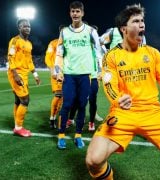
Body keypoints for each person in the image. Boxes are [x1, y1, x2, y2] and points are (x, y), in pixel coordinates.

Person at [86, 4, 160, 180]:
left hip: (153, 113)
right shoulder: (111, 56)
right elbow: (109, 84)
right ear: (124, 29)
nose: (142, 24)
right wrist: (118, 99)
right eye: (136, 21)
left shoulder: (153, 53)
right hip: (123, 114)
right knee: (93, 160)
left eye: (142, 21)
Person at [54, 1, 102, 149]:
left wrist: (100, 70)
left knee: (82, 105)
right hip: (69, 75)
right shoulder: (64, 32)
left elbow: (99, 52)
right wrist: (58, 71)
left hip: (85, 75)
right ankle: (61, 136)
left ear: (82, 13)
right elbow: (59, 53)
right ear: (70, 13)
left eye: (78, 11)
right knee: (67, 104)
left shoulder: (90, 31)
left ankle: (78, 136)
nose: (75, 14)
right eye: (73, 11)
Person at [7, 18, 41, 137]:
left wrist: (35, 74)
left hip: (25, 74)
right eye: (24, 26)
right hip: (16, 73)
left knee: (18, 100)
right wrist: (15, 74)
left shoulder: (29, 44)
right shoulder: (15, 41)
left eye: (29, 26)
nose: (27, 28)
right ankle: (18, 127)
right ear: (19, 28)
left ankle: (16, 124)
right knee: (25, 100)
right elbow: (10, 57)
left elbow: (29, 60)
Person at [44, 25, 65, 129]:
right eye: (62, 31)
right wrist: (52, 69)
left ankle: (63, 118)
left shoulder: (70, 43)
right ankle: (52, 118)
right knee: (58, 95)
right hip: (57, 73)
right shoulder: (53, 43)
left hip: (68, 73)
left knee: (65, 98)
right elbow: (48, 58)